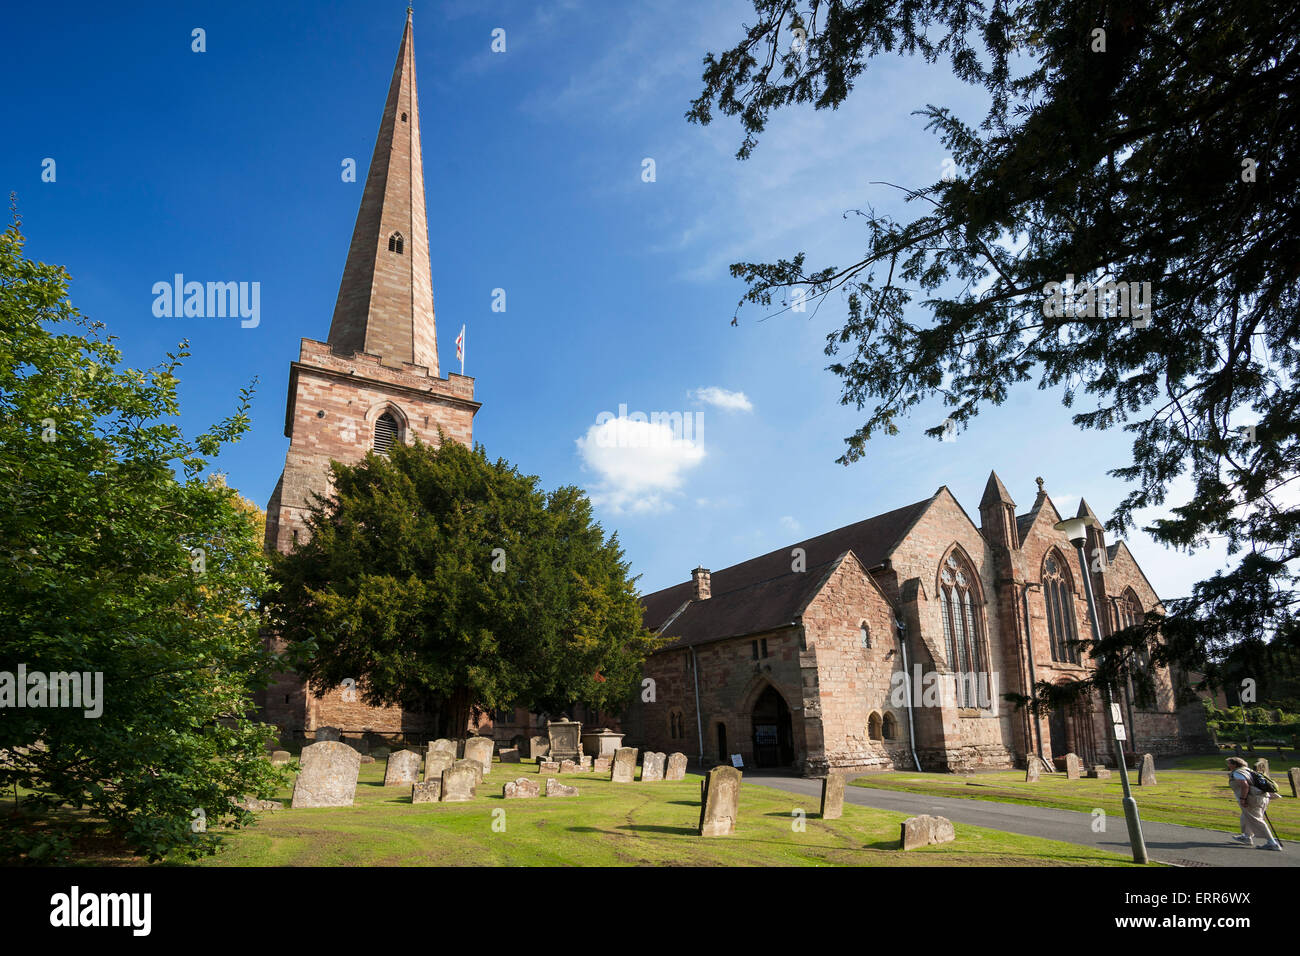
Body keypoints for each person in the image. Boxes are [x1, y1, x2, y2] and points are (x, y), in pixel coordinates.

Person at [1227, 757, 1282, 851]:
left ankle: (1272, 843)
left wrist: (1243, 799)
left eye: (1229, 763)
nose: (1228, 765)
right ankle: (1247, 837)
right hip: (1262, 797)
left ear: (1234, 764)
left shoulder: (1237, 773)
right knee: (1246, 816)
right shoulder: (1248, 770)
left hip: (1252, 798)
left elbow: (1245, 785)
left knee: (1256, 820)